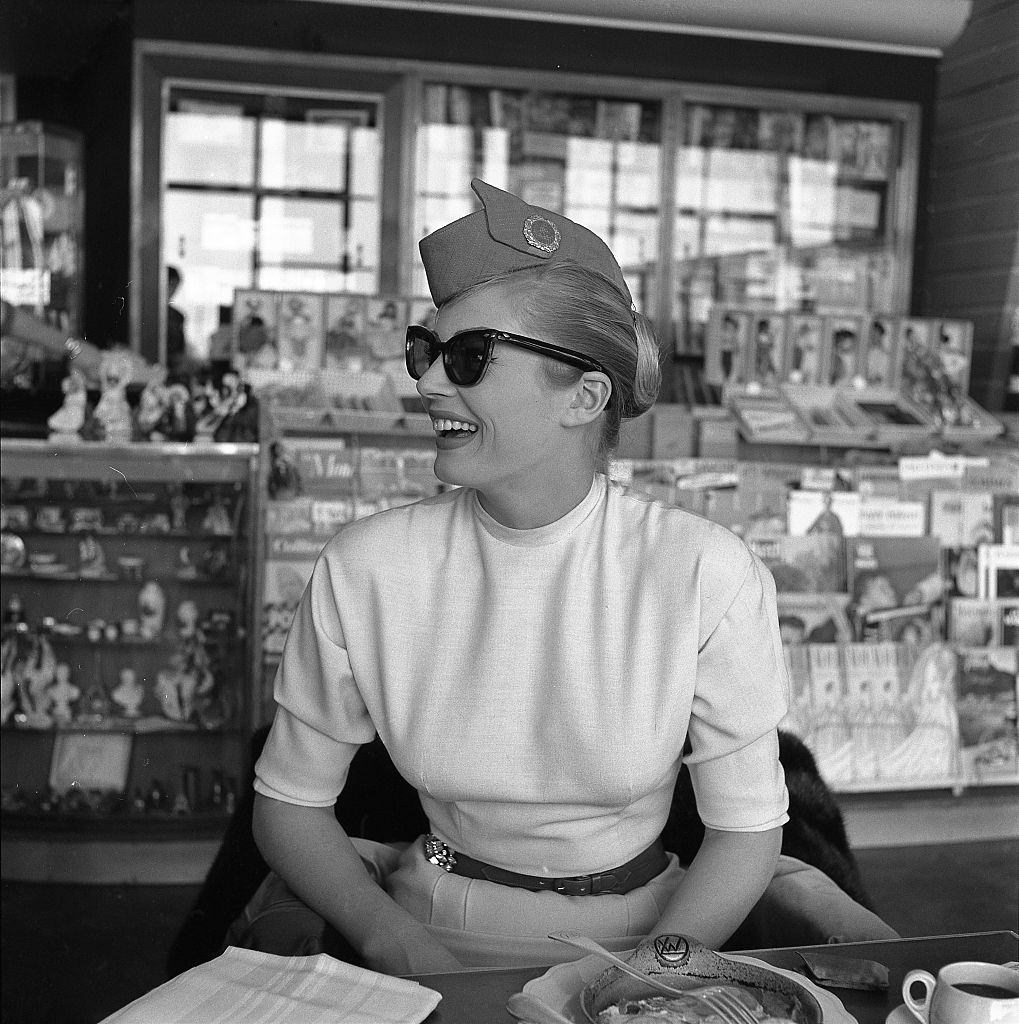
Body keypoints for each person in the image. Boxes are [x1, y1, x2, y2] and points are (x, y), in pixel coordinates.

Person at [237, 178, 893, 976]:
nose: (429, 382)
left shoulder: (700, 573)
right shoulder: (367, 566)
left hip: (650, 933)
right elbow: (289, 803)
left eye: (468, 357)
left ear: (584, 397)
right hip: (426, 928)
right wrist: (392, 941)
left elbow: (747, 829)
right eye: (427, 350)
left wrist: (656, 973)